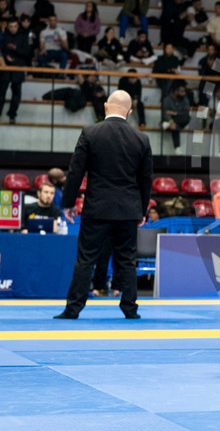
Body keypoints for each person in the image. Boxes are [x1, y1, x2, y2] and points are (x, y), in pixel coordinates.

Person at [54, 90, 153, 319]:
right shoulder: (141, 138)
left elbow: (75, 172)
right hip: (129, 209)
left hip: (97, 207)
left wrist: (68, 203)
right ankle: (130, 309)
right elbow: (146, 180)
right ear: (129, 111)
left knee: (86, 258)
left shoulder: (90, 133)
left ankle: (73, 308)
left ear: (106, 106)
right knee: (127, 259)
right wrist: (142, 209)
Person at [0, 18, 32, 124]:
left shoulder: (23, 36)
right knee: (1, 93)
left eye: (15, 26)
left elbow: (27, 52)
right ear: (7, 26)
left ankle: (12, 115)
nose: (13, 29)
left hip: (18, 68)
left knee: (16, 94)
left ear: (18, 26)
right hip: (5, 68)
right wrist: (5, 56)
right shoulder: (2, 36)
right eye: (10, 26)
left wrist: (15, 48)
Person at [161, 83, 191, 155]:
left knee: (187, 118)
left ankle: (168, 125)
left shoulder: (185, 100)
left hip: (181, 119)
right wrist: (171, 121)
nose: (184, 93)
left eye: (184, 91)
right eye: (182, 91)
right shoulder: (167, 99)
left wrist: (175, 113)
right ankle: (177, 148)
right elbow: (165, 113)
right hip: (171, 120)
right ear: (176, 91)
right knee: (176, 126)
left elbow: (186, 113)